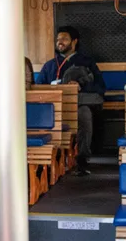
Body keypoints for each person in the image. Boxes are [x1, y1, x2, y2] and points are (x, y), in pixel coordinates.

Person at [38, 26, 106, 175]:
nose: (60, 42)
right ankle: (44, 160)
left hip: (77, 107)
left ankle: (82, 159)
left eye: (64, 39)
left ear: (74, 42)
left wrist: (80, 85)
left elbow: (100, 87)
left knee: (85, 114)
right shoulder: (49, 65)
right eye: (58, 40)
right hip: (53, 110)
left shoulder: (87, 62)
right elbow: (38, 88)